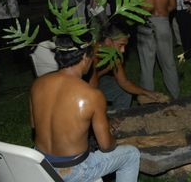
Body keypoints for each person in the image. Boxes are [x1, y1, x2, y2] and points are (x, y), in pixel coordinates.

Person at [30, 33, 140, 181]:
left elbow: (33, 124)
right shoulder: (92, 95)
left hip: (40, 164)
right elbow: (106, 146)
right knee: (131, 155)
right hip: (73, 171)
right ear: (85, 57)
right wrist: (115, 140)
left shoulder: (37, 85)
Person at [133, 0, 180, 99]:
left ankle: (148, 97)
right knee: (168, 61)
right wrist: (161, 13)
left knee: (147, 63)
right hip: (163, 22)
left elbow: (132, 7)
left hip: (145, 23)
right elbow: (173, 6)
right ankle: (175, 95)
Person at [89, 22, 161, 113]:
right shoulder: (92, 55)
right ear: (108, 41)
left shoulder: (114, 53)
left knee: (125, 91)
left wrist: (147, 92)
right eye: (120, 45)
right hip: (80, 90)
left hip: (97, 82)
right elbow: (91, 91)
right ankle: (105, 118)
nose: (123, 50)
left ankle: (120, 115)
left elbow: (124, 82)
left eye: (125, 46)